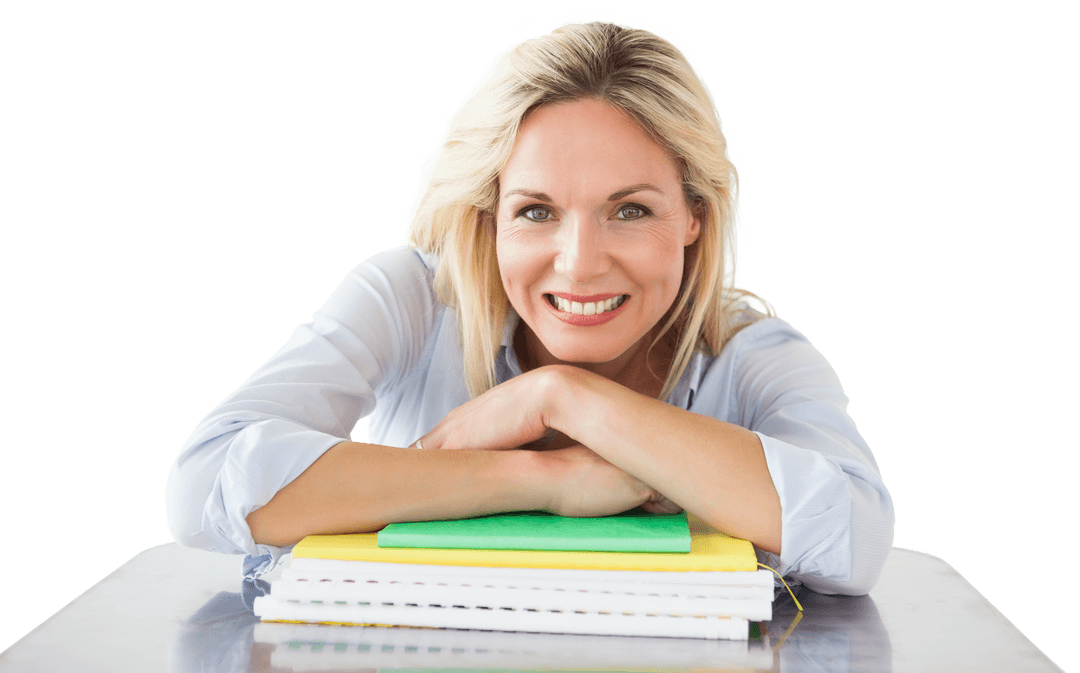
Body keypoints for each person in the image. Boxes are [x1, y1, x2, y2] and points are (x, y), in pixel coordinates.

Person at [165, 19, 895, 596]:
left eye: (631, 210)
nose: (579, 262)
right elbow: (204, 485)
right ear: (488, 217)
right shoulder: (414, 297)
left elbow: (856, 537)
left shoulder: (753, 352)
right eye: (537, 211)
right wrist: (540, 478)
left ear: (696, 215)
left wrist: (564, 396)